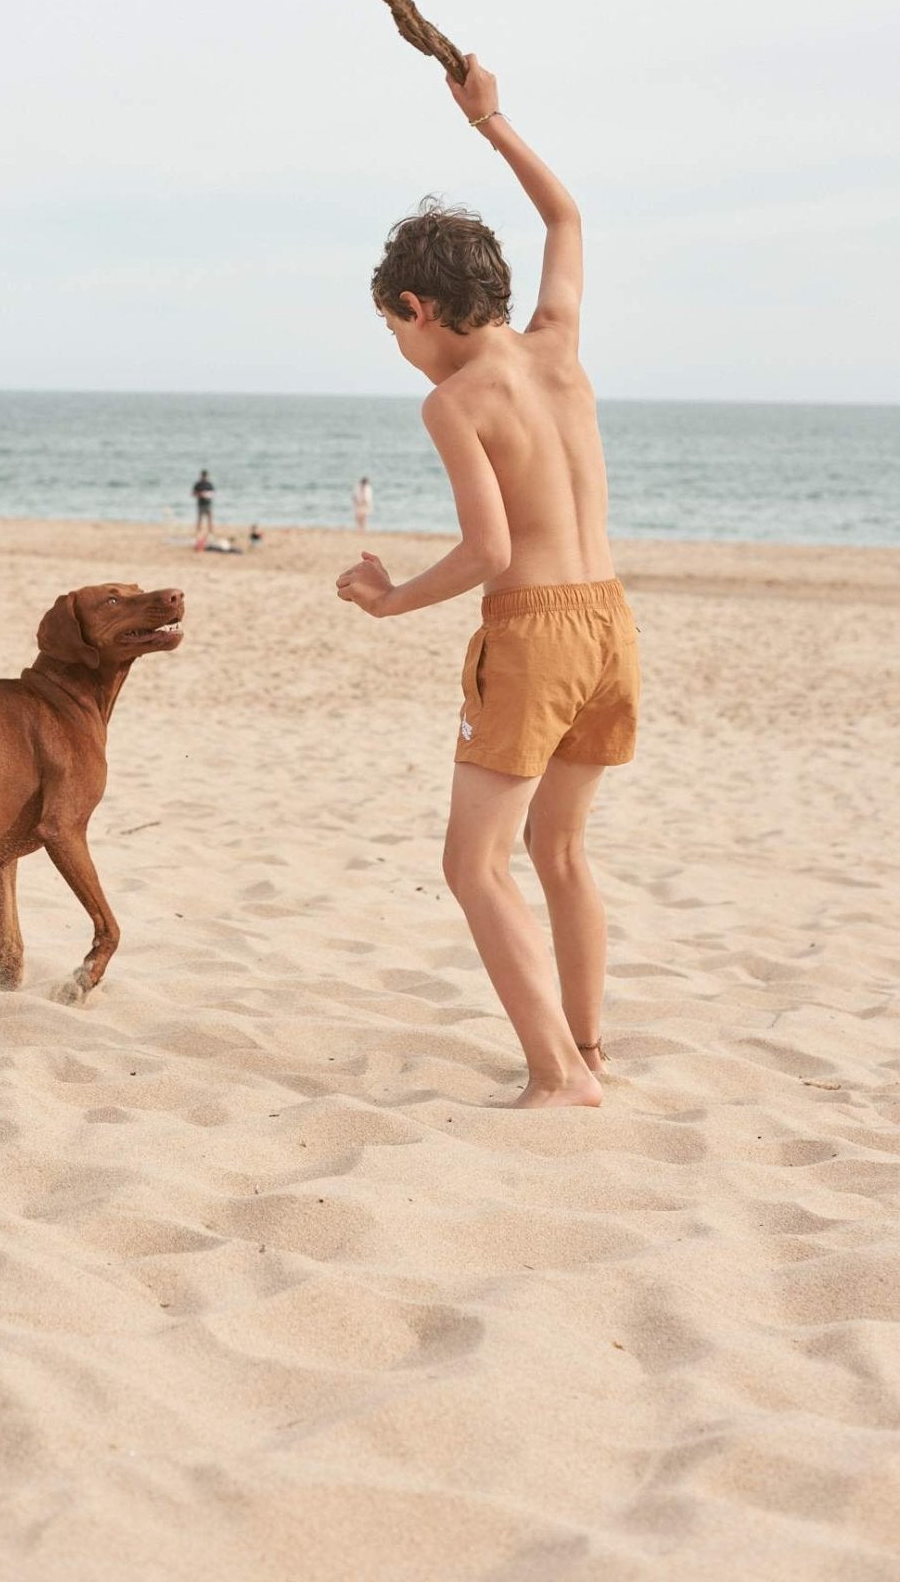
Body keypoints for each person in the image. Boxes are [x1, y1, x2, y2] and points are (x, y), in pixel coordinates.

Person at [336, 53, 638, 1111]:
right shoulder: (558, 346)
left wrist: (388, 598)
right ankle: (588, 1049)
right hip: (608, 621)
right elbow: (565, 220)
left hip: (535, 632)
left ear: (417, 306)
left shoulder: (457, 399)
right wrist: (492, 121)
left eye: (394, 329)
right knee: (557, 849)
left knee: (475, 866)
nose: (403, 352)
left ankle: (558, 1077)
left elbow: (490, 553)